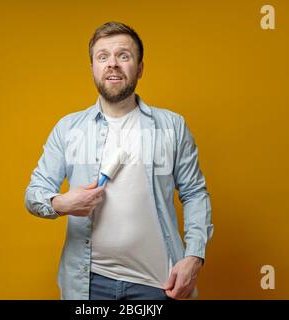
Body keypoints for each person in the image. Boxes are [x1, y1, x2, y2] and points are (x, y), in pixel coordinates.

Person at [25, 21, 213, 300]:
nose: (112, 64)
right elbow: (34, 193)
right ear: (92, 69)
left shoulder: (172, 126)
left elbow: (195, 193)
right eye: (103, 57)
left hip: (158, 284)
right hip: (88, 284)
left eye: (123, 56)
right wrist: (62, 203)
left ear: (139, 68)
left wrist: (194, 257)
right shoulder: (68, 129)